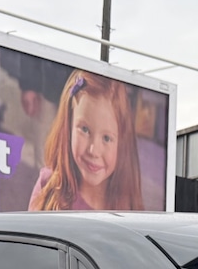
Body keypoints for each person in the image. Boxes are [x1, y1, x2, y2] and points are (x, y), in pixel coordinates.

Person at [28, 71, 143, 212]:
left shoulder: (128, 207)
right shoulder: (48, 186)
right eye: (84, 130)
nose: (93, 151)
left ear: (123, 143)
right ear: (68, 125)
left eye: (106, 138)